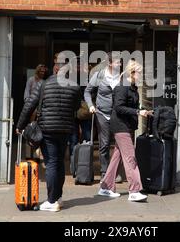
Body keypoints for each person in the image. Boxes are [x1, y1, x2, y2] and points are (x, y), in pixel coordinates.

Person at [16, 62, 80, 212]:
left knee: (51, 163)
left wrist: (20, 125)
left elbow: (29, 105)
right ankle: (58, 198)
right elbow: (76, 107)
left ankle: (51, 201)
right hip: (65, 129)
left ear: (55, 70)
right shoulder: (75, 87)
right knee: (59, 163)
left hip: (47, 129)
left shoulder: (43, 85)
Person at [98, 60, 151, 202]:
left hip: (127, 126)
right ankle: (134, 190)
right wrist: (138, 112)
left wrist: (142, 111)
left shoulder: (132, 88)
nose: (141, 75)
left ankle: (106, 187)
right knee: (130, 158)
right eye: (139, 73)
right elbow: (118, 107)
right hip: (120, 126)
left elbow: (130, 106)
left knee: (117, 157)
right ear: (132, 73)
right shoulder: (122, 87)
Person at [84, 52, 124, 183]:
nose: (120, 64)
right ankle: (104, 171)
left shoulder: (122, 77)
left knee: (119, 145)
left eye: (120, 62)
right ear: (110, 63)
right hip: (102, 113)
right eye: (117, 62)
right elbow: (87, 91)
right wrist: (90, 105)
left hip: (118, 115)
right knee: (105, 144)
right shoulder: (99, 75)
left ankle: (115, 171)